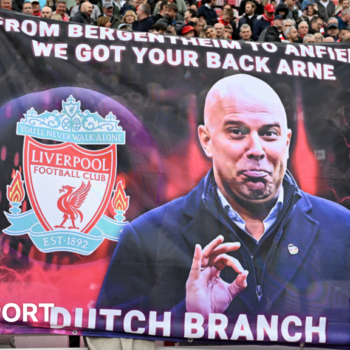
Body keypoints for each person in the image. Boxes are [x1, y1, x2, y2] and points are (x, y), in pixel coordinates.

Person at [87, 74, 350, 342]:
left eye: (269, 133)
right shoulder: (145, 237)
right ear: (206, 140)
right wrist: (189, 319)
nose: (256, 149)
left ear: (287, 141)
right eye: (237, 131)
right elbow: (107, 343)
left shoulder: (343, 230)